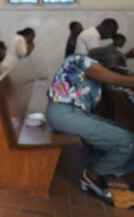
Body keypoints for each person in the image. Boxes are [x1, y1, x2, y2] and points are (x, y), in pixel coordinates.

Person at [45, 47, 134, 202]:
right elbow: (119, 80)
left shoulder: (93, 75)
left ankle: (94, 171)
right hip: (63, 113)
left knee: (122, 132)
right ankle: (92, 175)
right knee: (128, 141)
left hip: (74, 114)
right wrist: (123, 77)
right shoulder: (82, 60)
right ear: (106, 64)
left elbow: (120, 80)